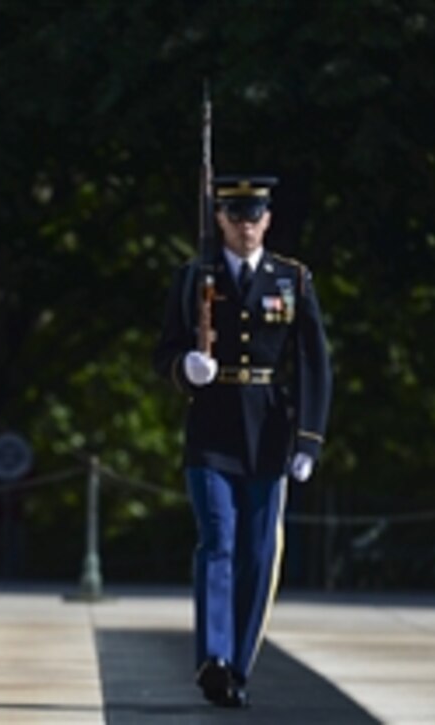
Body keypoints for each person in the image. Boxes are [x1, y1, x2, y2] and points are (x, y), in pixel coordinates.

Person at [153, 175, 332, 708]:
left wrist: (309, 440)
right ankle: (213, 657)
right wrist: (187, 368)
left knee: (257, 553)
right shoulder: (193, 278)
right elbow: (163, 352)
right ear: (221, 221)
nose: (247, 225)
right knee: (218, 541)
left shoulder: (292, 280)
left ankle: (238, 662)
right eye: (236, 216)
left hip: (270, 433)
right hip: (212, 430)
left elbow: (313, 364)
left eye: (255, 215)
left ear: (268, 220)